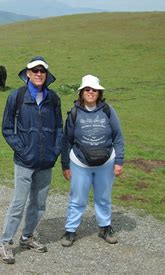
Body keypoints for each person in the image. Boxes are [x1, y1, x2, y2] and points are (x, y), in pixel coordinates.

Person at [0, 56, 64, 264]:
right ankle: (6, 243)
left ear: (46, 75)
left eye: (42, 71)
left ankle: (27, 237)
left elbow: (59, 129)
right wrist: (22, 150)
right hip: (24, 162)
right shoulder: (16, 97)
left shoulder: (53, 99)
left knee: (39, 203)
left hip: (46, 162)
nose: (38, 74)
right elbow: (7, 129)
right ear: (27, 73)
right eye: (34, 71)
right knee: (18, 203)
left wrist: (54, 152)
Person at [60, 74, 124, 247]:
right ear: (81, 92)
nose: (90, 92)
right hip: (80, 163)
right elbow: (66, 140)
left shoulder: (108, 110)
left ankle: (105, 228)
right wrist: (65, 164)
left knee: (103, 197)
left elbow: (118, 136)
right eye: (87, 89)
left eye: (94, 89)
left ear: (99, 92)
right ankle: (70, 230)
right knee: (77, 198)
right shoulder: (74, 113)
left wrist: (119, 161)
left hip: (106, 163)